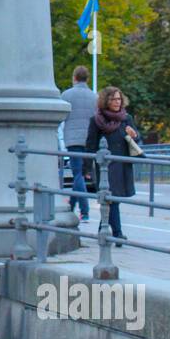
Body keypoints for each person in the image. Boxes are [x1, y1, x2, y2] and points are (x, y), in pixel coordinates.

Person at [84, 86, 140, 240]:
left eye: (119, 99)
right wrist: (87, 168)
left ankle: (103, 226)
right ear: (105, 101)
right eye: (113, 99)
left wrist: (134, 135)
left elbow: (136, 140)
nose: (117, 102)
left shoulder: (126, 118)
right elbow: (90, 144)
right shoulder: (97, 120)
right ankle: (118, 233)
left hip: (122, 163)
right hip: (105, 166)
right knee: (111, 197)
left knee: (113, 199)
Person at [60, 65, 95, 222]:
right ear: (87, 78)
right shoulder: (94, 96)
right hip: (89, 139)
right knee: (80, 174)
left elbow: (62, 116)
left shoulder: (66, 95)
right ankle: (72, 206)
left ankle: (85, 211)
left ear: (74, 78)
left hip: (73, 139)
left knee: (77, 174)